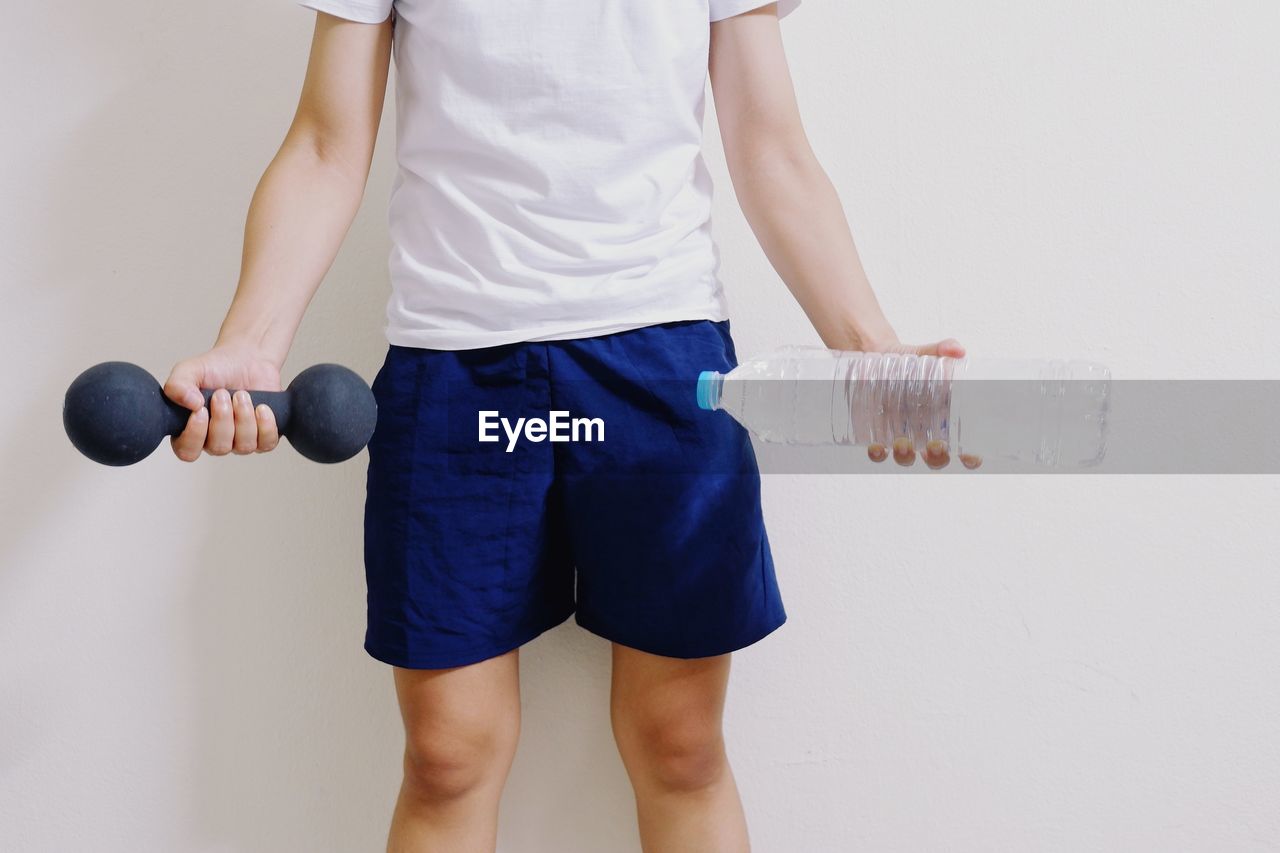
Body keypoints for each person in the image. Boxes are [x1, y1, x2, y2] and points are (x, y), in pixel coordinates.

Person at [161, 1, 964, 850]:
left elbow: (771, 145)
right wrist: (249, 344)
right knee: (447, 757)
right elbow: (326, 145)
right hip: (455, 361)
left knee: (682, 745)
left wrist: (867, 345)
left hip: (662, 357)